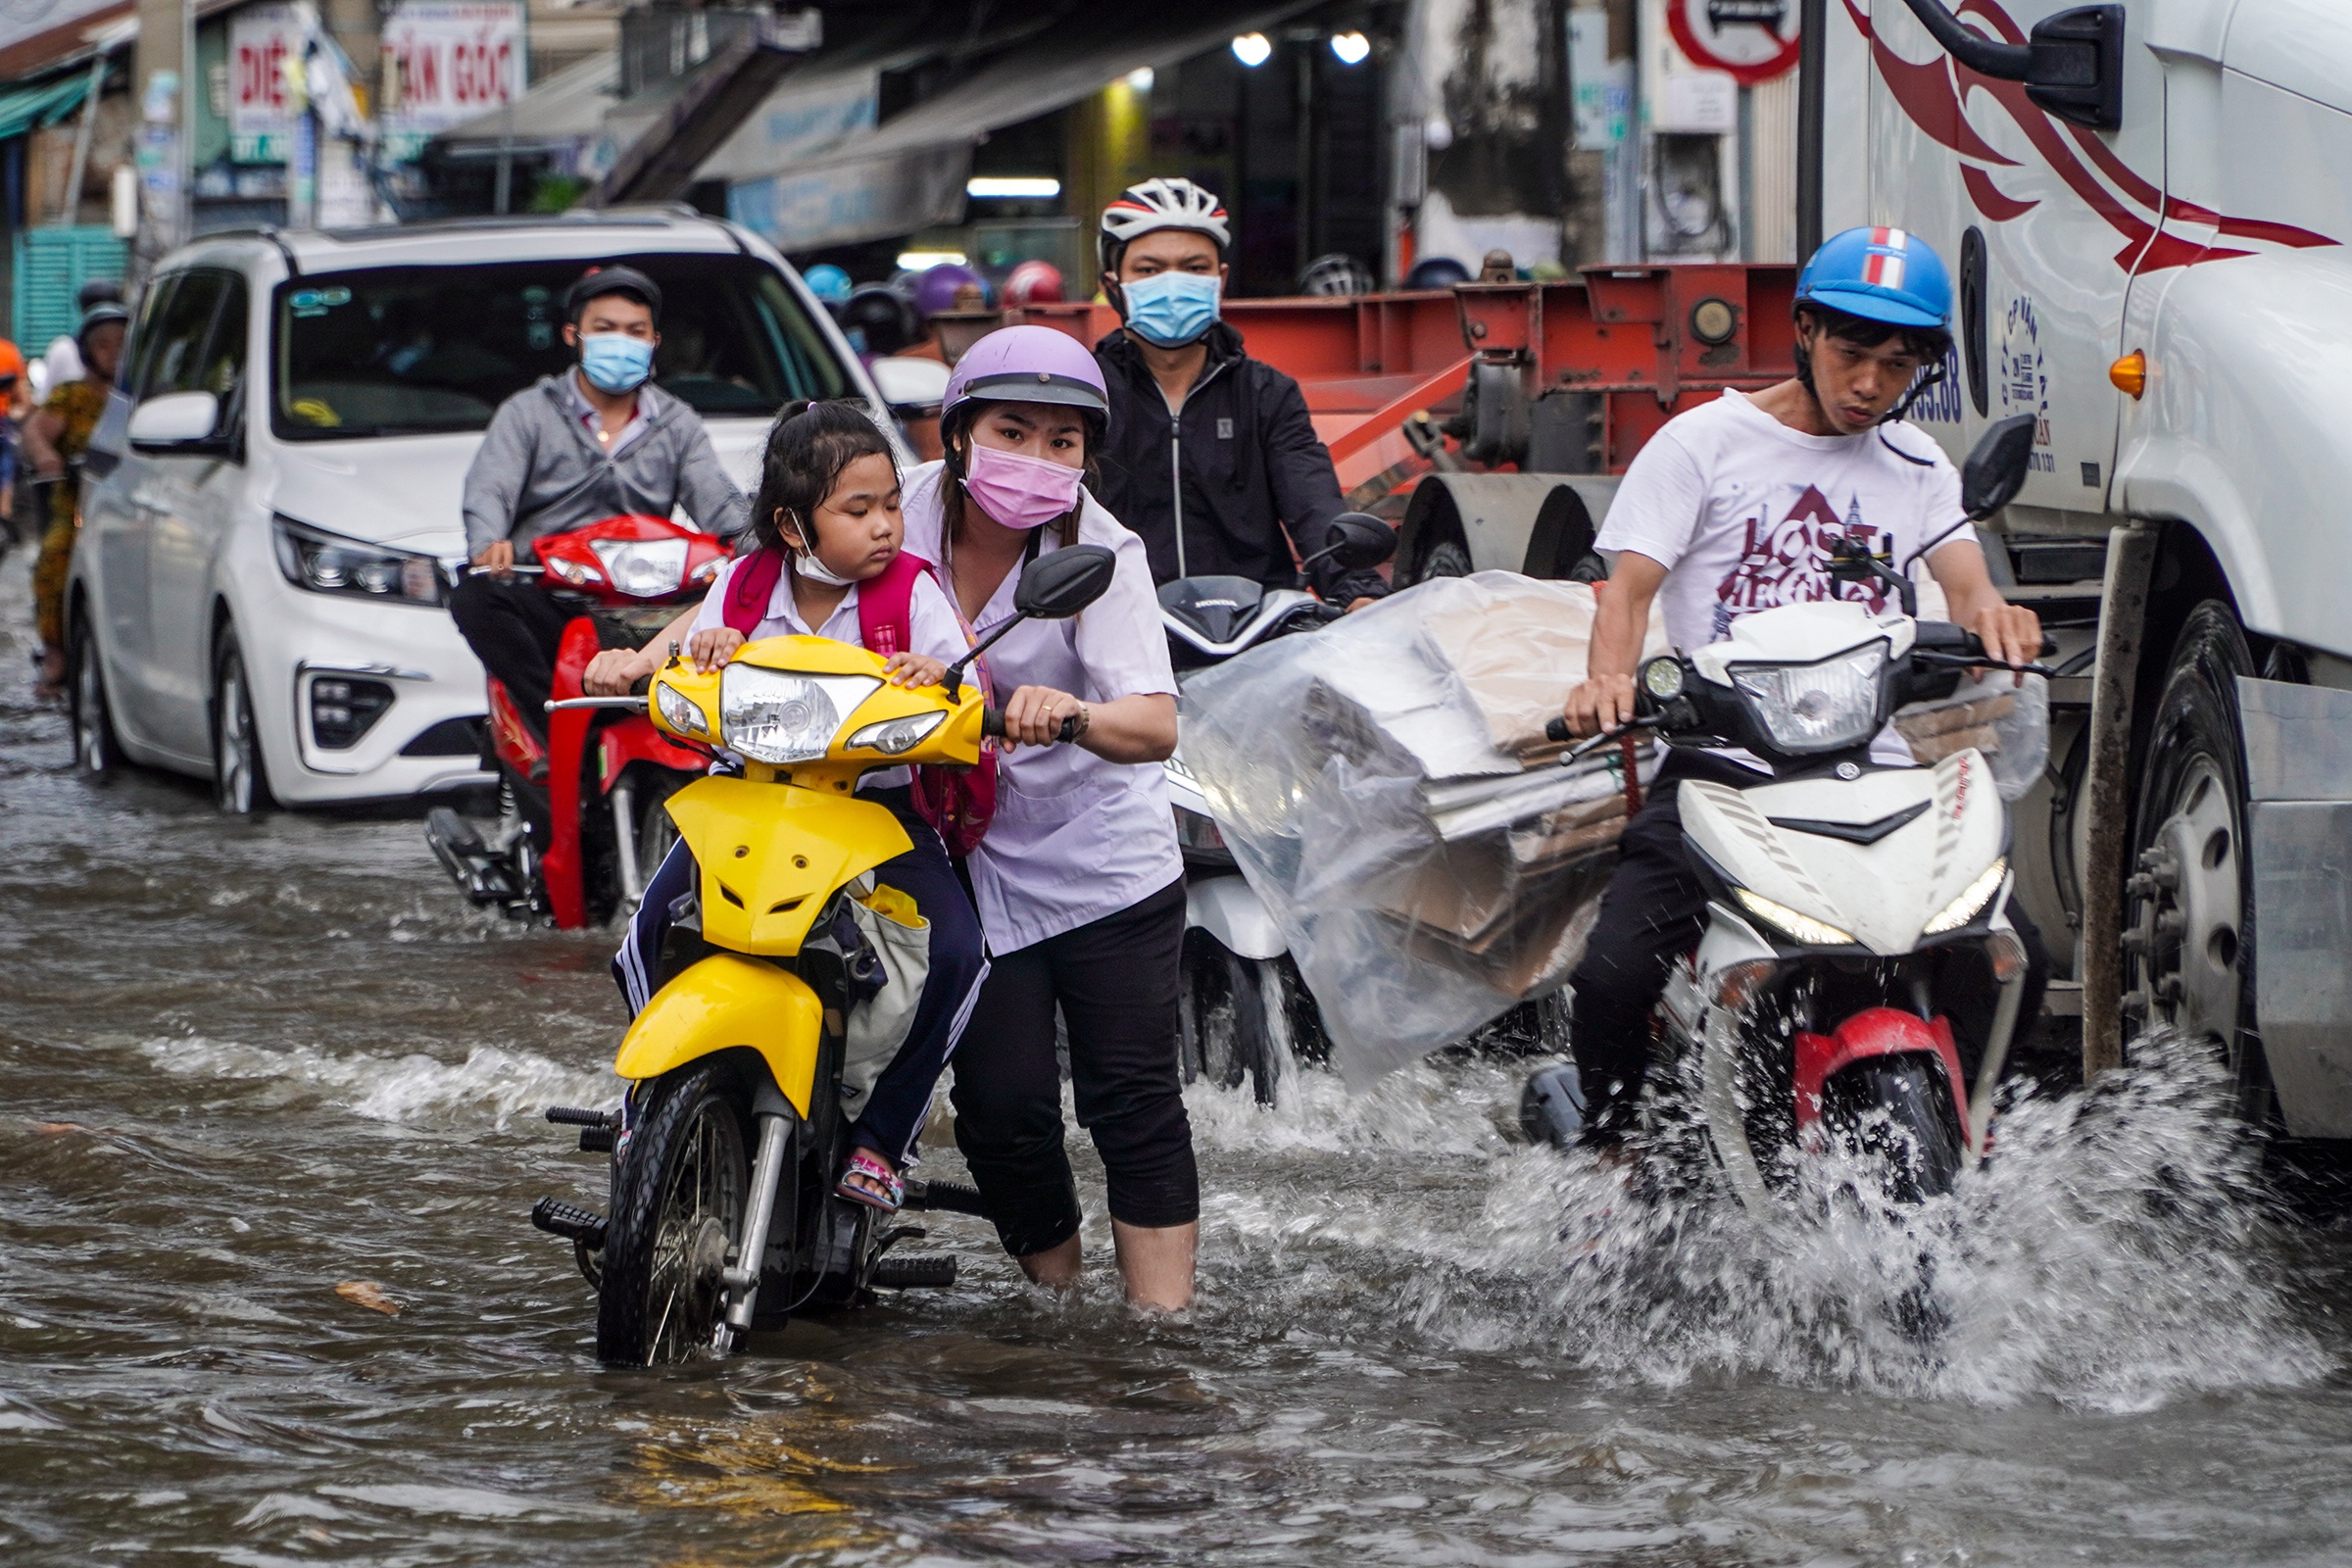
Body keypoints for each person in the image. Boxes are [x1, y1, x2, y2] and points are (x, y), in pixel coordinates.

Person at [1558, 225, 2050, 1152]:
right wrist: (1607, 681)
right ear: (1805, 333)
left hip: (1881, 769)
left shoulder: (1917, 467)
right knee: (1616, 975)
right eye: (1852, 353)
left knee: (2013, 945)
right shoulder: (1702, 443)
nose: (1870, 383)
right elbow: (1626, 590)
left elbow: (1968, 580)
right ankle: (1609, 1159)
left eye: (1897, 365)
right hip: (1724, 767)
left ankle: (1976, 1138)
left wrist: (2000, 620)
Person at [583, 401, 987, 1211]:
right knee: (645, 932)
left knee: (958, 957)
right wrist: (663, 660)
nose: (884, 526)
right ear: (793, 526)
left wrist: (927, 676)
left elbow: (966, 687)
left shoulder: (914, 591)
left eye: (891, 506)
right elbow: (681, 656)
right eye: (858, 509)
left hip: (876, 816)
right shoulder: (743, 583)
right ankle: (649, 1102)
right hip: (749, 804)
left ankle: (883, 1139)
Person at [902, 325, 1197, 1311]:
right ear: (957, 434)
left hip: (1102, 862)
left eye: (1063, 442)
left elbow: (1154, 721)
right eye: (1013, 430)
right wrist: (664, 650)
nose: (1037, 460)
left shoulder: (1103, 550)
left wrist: (1068, 714)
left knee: (1132, 1104)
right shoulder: (890, 509)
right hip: (964, 857)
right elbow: (764, 574)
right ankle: (1058, 1308)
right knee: (1000, 1105)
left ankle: (1163, 1334)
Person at [453, 265, 748, 743]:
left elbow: (719, 501)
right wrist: (488, 543)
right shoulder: (529, 412)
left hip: (650, 599)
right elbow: (491, 488)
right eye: (604, 328)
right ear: (575, 335)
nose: (620, 341)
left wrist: (759, 541)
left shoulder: (677, 423)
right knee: (476, 598)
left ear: (654, 340)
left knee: (738, 600)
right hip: (552, 591)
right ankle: (556, 729)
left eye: (635, 331)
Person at [1090, 177, 1387, 608]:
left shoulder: (1268, 394)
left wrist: (1359, 593)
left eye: (1194, 268)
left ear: (1220, 279)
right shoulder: (1086, 397)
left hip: (1256, 633)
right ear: (1114, 284)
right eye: (1149, 270)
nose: (1173, 285)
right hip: (1116, 633)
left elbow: (1314, 505)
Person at [23, 303, 126, 700]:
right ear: (87, 352)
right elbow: (35, 432)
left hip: (134, 504)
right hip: (80, 506)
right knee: (53, 560)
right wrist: (47, 455)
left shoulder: (141, 397)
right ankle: (55, 654)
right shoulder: (71, 396)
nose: (113, 352)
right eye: (103, 345)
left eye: (121, 343)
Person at [36, 279, 121, 402]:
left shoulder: (61, 347)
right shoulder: (63, 349)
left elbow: (44, 397)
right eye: (103, 345)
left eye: (118, 343)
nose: (112, 353)